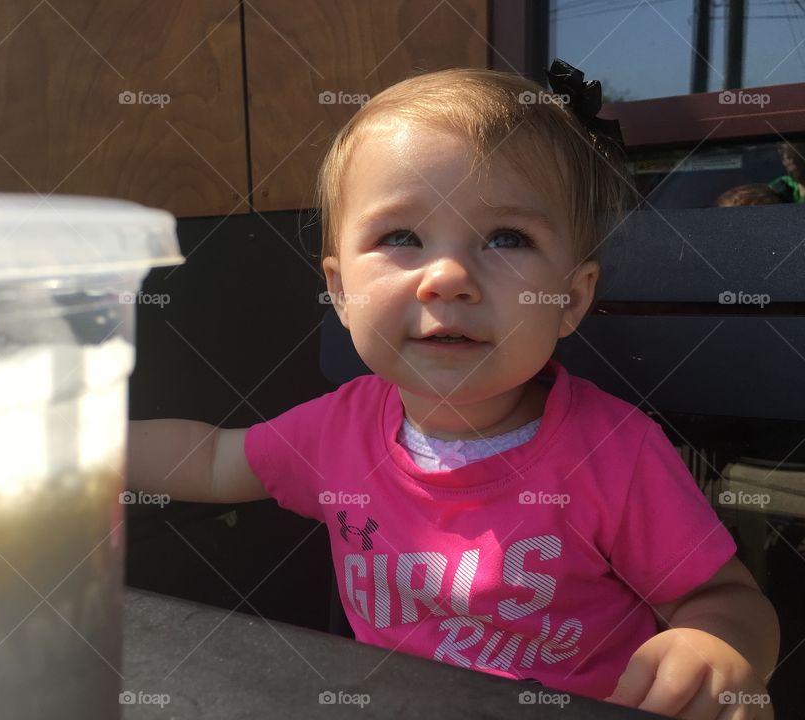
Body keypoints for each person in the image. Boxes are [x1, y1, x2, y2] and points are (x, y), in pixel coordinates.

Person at [128, 64, 779, 719]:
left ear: (570, 299)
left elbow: (722, 596)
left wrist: (717, 648)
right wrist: (76, 450)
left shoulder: (615, 454)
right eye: (401, 238)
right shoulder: (337, 431)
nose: (447, 277)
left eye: (506, 238)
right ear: (341, 291)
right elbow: (214, 460)